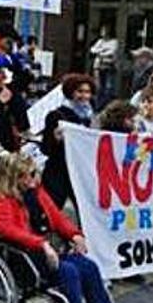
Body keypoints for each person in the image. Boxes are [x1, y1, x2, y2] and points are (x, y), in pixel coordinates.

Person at [0, 152, 116, 303]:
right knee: (70, 272)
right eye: (31, 174)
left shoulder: (36, 191)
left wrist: (74, 234)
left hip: (47, 251)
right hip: (23, 256)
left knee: (89, 267)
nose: (35, 177)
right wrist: (41, 243)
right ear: (15, 178)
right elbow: (6, 229)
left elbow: (57, 217)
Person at [41, 74, 95, 209]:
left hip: (80, 172)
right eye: (80, 91)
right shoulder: (56, 116)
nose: (84, 96)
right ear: (70, 92)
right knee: (52, 210)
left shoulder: (91, 118)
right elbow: (45, 148)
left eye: (87, 92)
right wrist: (55, 139)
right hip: (58, 172)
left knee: (85, 211)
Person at [0, 66, 30, 153]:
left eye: (2, 72)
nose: (2, 76)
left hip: (18, 142)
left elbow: (23, 122)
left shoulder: (11, 91)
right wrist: (0, 104)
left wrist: (14, 98)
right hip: (1, 147)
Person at [90, 26, 118, 107]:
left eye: (104, 30)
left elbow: (111, 52)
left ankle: (105, 104)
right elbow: (92, 50)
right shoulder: (100, 41)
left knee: (108, 87)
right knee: (98, 86)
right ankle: (97, 104)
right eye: (102, 30)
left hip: (108, 67)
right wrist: (103, 50)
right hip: (98, 67)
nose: (102, 32)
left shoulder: (114, 41)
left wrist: (100, 52)